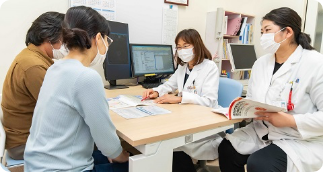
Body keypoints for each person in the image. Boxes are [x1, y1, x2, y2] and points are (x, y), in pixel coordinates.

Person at [218, 7, 323, 172]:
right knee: (226, 148)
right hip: (261, 130)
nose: (263, 37)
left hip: (299, 138)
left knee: (260, 163)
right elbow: (251, 98)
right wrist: (241, 111)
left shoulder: (316, 64)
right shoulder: (261, 63)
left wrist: (290, 121)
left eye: (267, 30)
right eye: (262, 32)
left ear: (287, 32)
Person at [24, 6, 129, 172]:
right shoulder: (86, 77)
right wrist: (121, 155)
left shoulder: (54, 68)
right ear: (99, 38)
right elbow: (106, 140)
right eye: (107, 41)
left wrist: (111, 151)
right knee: (136, 162)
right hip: (63, 169)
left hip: (36, 165)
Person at [143, 29, 221, 172]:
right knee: (163, 142)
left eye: (186, 46)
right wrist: (156, 91)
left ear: (196, 45)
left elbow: (209, 101)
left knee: (167, 145)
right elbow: (169, 85)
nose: (182, 50)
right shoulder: (182, 67)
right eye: (179, 47)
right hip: (185, 118)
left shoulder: (210, 67)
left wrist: (179, 98)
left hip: (202, 122)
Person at [1, 12, 65, 160]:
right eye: (64, 39)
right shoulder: (34, 66)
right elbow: (59, 113)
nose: (66, 45)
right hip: (24, 144)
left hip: (25, 137)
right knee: (91, 142)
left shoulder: (32, 56)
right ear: (48, 38)